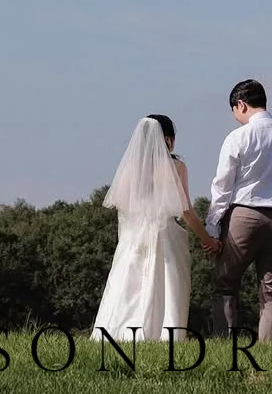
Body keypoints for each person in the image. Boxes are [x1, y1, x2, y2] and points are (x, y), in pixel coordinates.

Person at [91, 114, 219, 344]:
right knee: (164, 286)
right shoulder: (175, 166)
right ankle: (162, 335)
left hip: (133, 236)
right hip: (164, 235)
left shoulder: (130, 168)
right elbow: (186, 210)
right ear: (168, 139)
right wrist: (206, 238)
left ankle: (117, 333)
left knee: (128, 286)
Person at [206, 79, 272, 341]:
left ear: (241, 104)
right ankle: (269, 350)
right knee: (271, 292)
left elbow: (222, 186)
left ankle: (225, 344)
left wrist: (212, 226)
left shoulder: (238, 137)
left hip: (243, 215)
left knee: (226, 285)